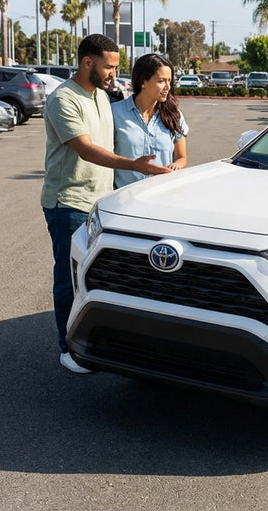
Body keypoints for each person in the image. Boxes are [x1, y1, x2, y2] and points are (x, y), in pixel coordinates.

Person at [41, 34, 171, 374]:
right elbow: (85, 149)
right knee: (69, 277)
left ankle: (95, 341)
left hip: (102, 203)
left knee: (99, 276)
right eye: (109, 66)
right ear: (87, 62)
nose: (114, 73)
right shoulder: (63, 99)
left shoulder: (100, 96)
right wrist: (134, 165)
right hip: (68, 202)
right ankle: (67, 347)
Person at [112, 53, 189, 188]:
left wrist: (176, 166)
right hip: (124, 197)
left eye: (169, 81)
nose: (167, 87)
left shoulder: (174, 115)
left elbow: (181, 157)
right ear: (143, 81)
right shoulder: (115, 112)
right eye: (161, 81)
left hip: (161, 194)